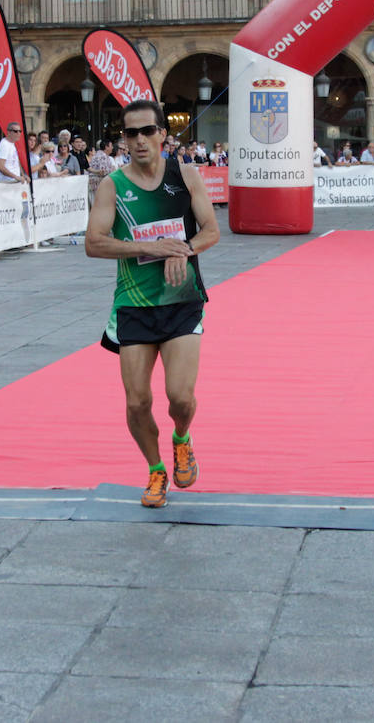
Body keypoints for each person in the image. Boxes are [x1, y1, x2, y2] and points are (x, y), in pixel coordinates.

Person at [85, 99, 220, 509]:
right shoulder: (114, 185)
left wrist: (182, 251)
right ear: (123, 139)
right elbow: (94, 243)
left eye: (147, 131)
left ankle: (182, 438)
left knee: (180, 398)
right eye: (131, 133)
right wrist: (150, 246)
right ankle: (156, 469)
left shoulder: (186, 175)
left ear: (163, 133)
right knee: (137, 401)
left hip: (181, 299)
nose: (139, 140)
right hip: (134, 302)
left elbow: (212, 231)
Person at [88, 138, 115, 205]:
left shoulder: (102, 155)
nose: (112, 147)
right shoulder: (102, 156)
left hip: (98, 186)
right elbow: (103, 172)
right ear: (106, 147)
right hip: (97, 186)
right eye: (111, 146)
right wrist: (114, 171)